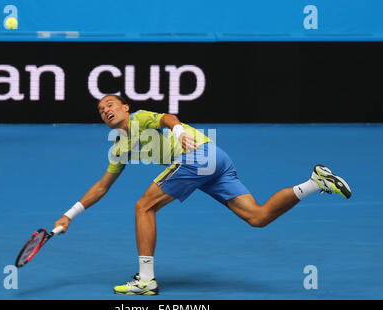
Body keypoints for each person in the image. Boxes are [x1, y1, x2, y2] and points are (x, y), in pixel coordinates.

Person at [54, 95, 351, 295]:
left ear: (125, 107)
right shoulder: (119, 147)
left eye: (111, 104)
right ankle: (315, 182)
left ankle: (145, 280)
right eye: (101, 110)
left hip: (199, 155)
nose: (106, 110)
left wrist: (179, 131)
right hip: (216, 158)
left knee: (144, 207)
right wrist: (70, 215)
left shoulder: (140, 118)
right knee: (257, 216)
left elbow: (168, 117)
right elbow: (102, 186)